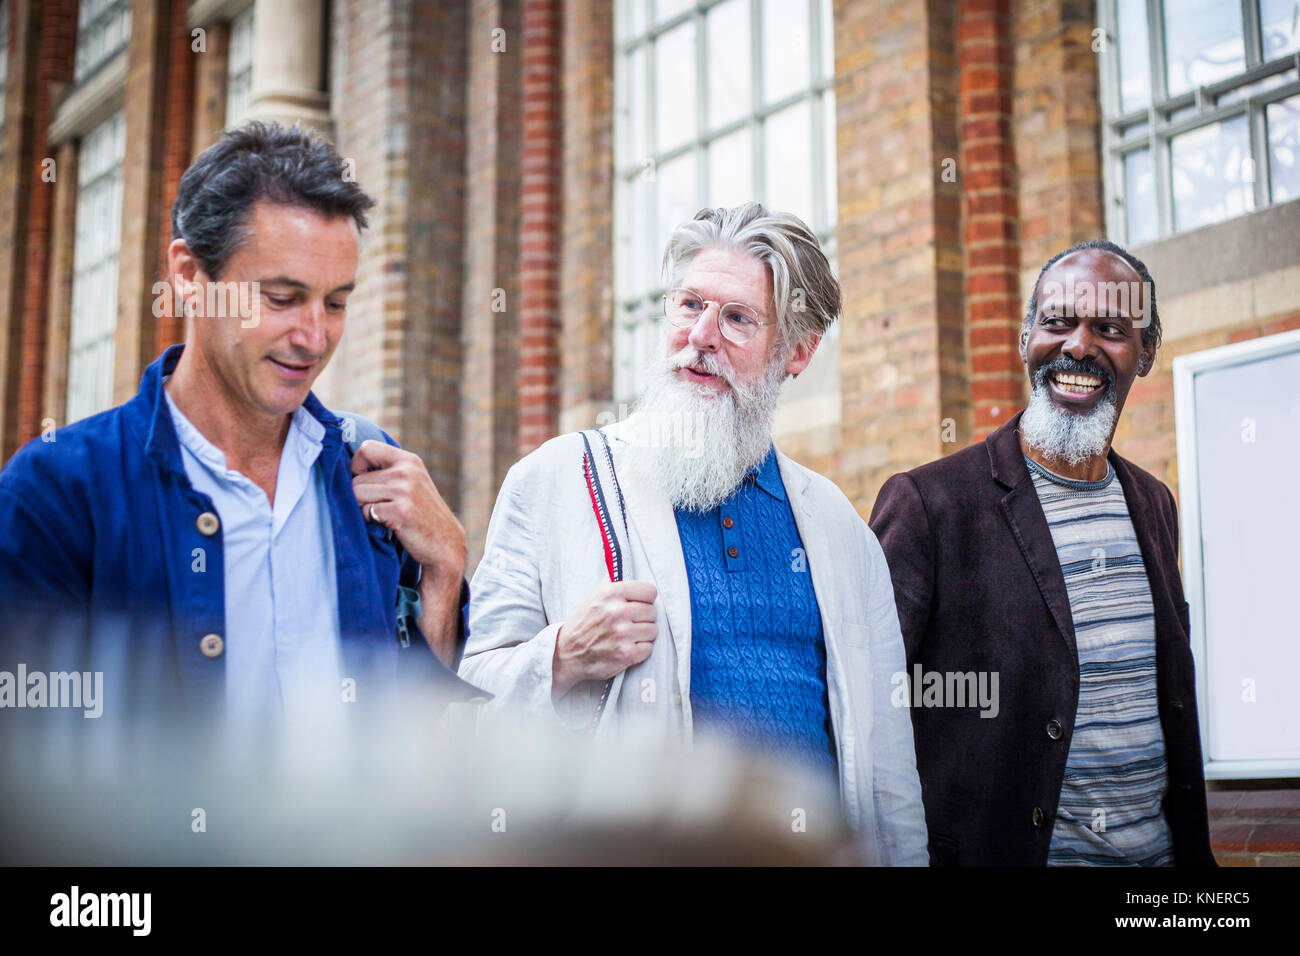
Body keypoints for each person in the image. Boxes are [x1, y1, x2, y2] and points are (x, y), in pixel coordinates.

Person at [459, 202, 928, 864]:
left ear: (796, 351)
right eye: (688, 305)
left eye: (737, 318)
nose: (701, 335)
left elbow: (890, 777)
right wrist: (563, 655)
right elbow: (471, 701)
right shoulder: (553, 481)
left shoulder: (842, 533)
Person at [0, 121, 476, 745]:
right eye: (281, 297)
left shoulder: (373, 478)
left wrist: (443, 573)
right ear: (189, 276)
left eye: (335, 303)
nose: (314, 337)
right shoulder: (57, 492)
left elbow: (414, 750)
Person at [869, 240, 1215, 866]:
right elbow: (870, 704)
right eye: (1058, 322)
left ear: (1147, 352)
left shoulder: (1155, 503)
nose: (1079, 346)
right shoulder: (930, 503)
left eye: (1109, 328)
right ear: (1027, 335)